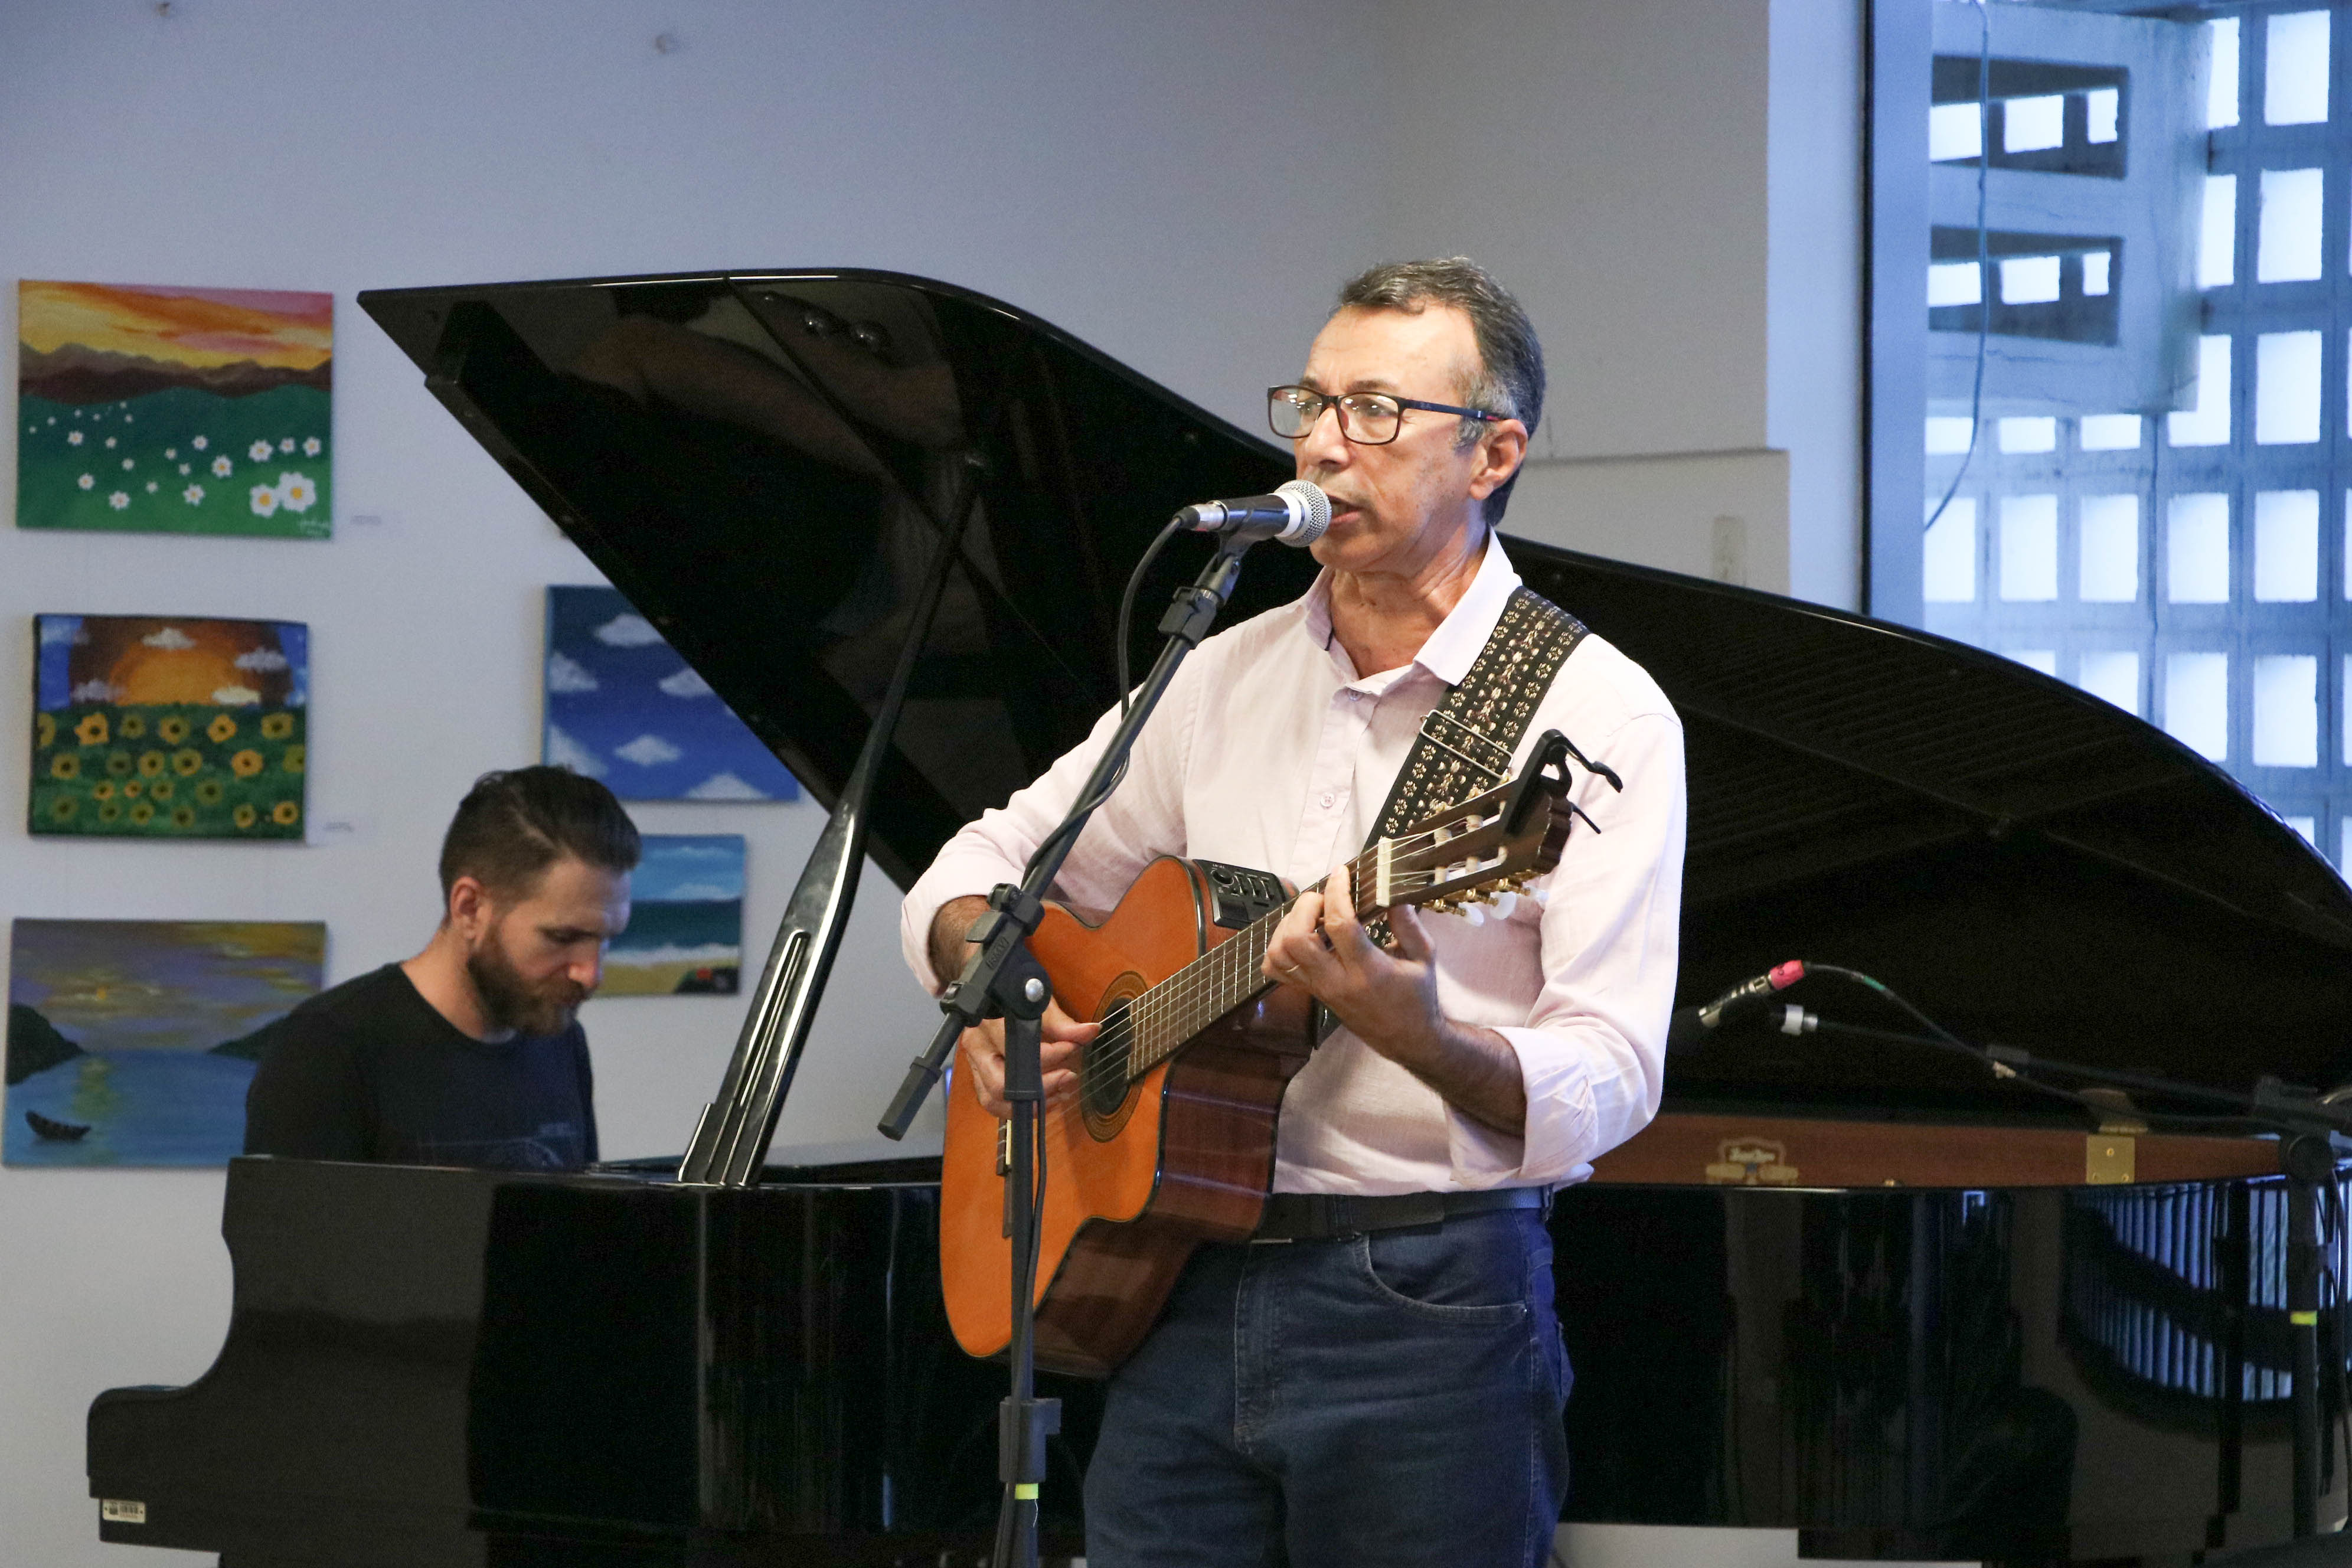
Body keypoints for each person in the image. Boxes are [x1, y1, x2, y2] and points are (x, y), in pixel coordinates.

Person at [899, 258, 1686, 1567]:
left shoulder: (1597, 715)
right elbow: (980, 864)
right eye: (1311, 403)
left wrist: (1424, 1035)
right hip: (1172, 1280)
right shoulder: (1218, 674)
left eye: (1375, 410)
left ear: (1493, 453)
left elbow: (1614, 1070)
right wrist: (1000, 991)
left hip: (1424, 1301)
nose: (1323, 443)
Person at [243, 766, 638, 1170]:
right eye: (563, 937)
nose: (591, 975)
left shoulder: (561, 1041)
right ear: (470, 908)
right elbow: (289, 1215)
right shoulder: (328, 1049)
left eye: (606, 940)